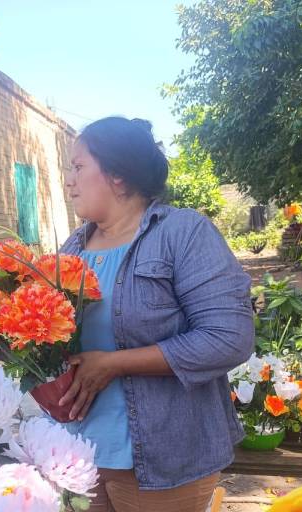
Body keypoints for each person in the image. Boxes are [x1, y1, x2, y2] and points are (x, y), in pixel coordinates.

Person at [58, 117, 254, 511]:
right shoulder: (74, 246)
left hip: (166, 457)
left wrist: (115, 364)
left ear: (117, 175)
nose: (69, 181)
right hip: (80, 452)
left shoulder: (183, 233)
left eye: (78, 167)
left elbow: (228, 337)